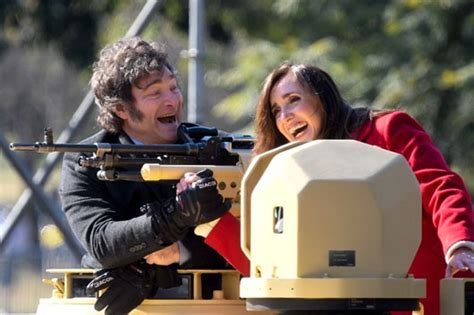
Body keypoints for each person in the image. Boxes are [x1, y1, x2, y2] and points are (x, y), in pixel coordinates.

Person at [193, 62, 474, 315]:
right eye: (276, 111)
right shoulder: (286, 176)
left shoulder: (386, 131)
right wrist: (212, 219)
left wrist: (459, 244)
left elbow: (440, 186)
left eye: (293, 100)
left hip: (419, 302)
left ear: (324, 98)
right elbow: (276, 270)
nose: (286, 117)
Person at [59, 36, 231, 314]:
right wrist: (177, 214)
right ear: (121, 109)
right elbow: (102, 242)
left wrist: (179, 252)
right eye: (155, 93)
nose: (172, 100)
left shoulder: (216, 150)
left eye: (173, 88)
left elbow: (249, 239)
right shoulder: (87, 161)